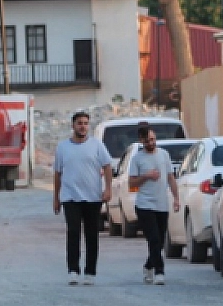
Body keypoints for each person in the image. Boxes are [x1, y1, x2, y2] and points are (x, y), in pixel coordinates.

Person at [53, 111, 113, 285]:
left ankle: (90, 272)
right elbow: (57, 173)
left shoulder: (97, 145)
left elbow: (107, 166)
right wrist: (56, 198)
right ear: (73, 125)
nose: (83, 126)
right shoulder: (63, 147)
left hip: (93, 198)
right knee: (73, 233)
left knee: (91, 235)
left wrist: (108, 189)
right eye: (79, 123)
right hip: (70, 197)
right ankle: (73, 270)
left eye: (86, 123)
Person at [127, 122, 180, 285]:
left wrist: (176, 198)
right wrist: (147, 176)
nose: (151, 143)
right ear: (141, 141)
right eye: (147, 141)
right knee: (154, 239)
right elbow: (131, 183)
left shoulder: (164, 155)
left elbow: (170, 177)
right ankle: (159, 271)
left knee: (160, 240)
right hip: (144, 205)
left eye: (153, 139)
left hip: (161, 204)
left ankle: (149, 265)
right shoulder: (137, 159)